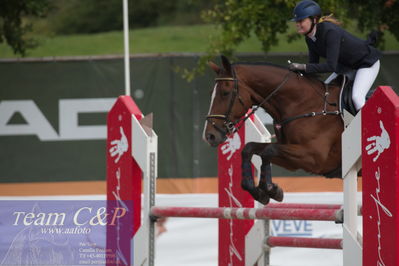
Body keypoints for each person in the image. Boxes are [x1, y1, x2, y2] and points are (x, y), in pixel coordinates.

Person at [288, 0, 381, 111]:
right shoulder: (309, 38)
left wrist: (303, 67)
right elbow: (313, 66)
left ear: (314, 19)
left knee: (357, 98)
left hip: (366, 63)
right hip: (346, 66)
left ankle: (370, 127)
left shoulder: (330, 32)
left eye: (301, 20)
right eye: (296, 21)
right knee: (323, 95)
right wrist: (299, 73)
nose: (297, 24)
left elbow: (330, 66)